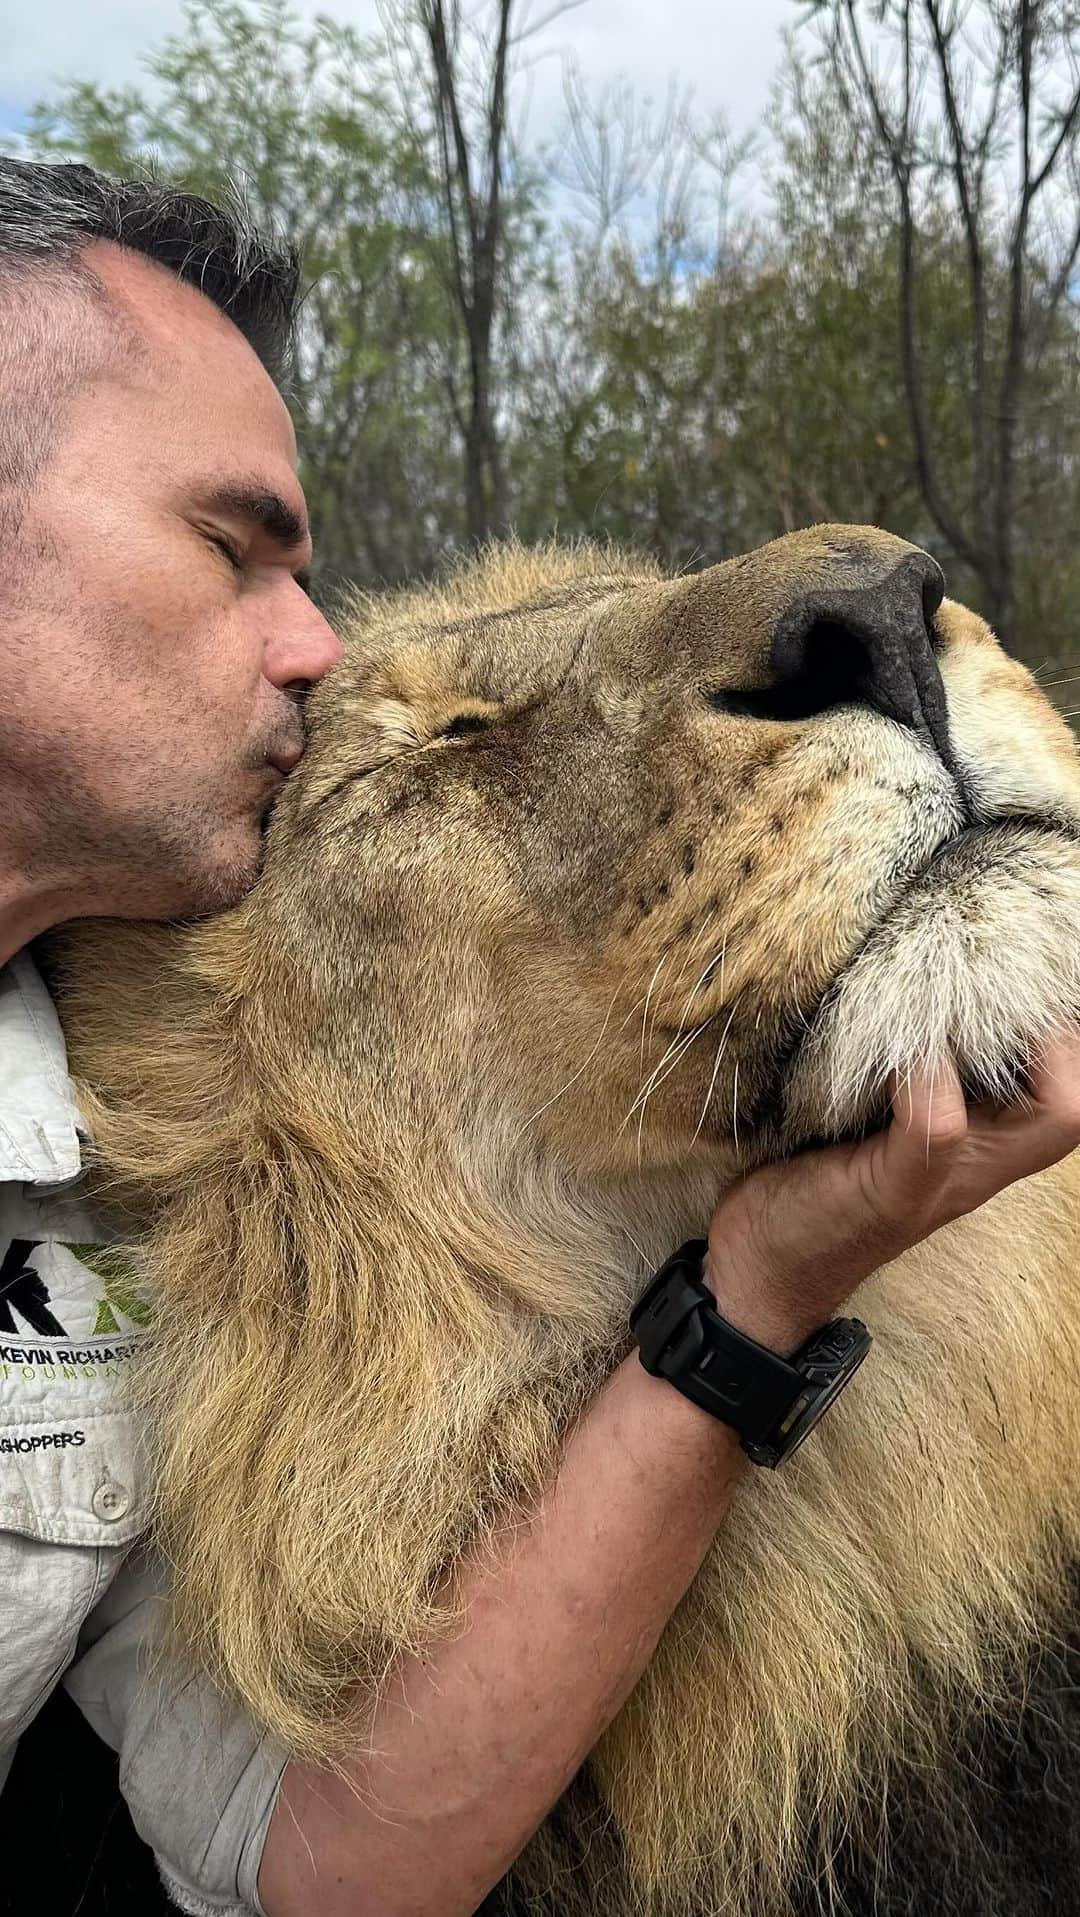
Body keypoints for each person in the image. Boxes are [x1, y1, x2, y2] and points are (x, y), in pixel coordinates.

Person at [1, 156, 1079, 1917]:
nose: (314, 645)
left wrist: (759, 1299)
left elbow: (308, 1856)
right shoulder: (183, 1096)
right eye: (231, 545)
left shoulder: (82, 1241)